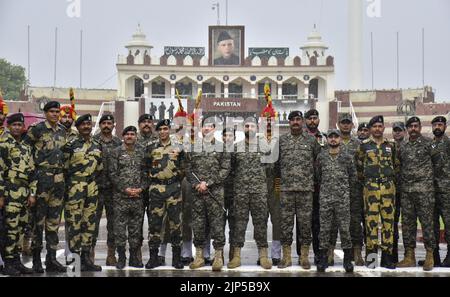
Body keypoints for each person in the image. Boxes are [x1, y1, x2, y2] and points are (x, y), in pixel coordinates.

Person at [24, 101, 67, 273]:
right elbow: (26, 152)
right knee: (38, 223)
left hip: (58, 182)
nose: (55, 114)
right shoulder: (37, 129)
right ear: (46, 113)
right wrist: (32, 187)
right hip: (41, 180)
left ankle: (51, 259)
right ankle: (35, 260)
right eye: (52, 111)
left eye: (57, 112)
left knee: (53, 223)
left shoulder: (63, 131)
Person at [275, 111, 320, 269]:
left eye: (298, 119)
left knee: (305, 226)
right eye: (292, 120)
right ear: (289, 122)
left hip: (306, 191)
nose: (295, 122)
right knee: (286, 226)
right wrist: (278, 189)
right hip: (286, 191)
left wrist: (314, 184)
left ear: (302, 122)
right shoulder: (281, 141)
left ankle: (304, 258)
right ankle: (286, 258)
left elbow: (318, 163)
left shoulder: (311, 141)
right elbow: (276, 166)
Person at [186, 117, 231, 271]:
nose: (207, 129)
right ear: (201, 129)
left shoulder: (222, 147)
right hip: (197, 193)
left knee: (217, 225)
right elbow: (188, 169)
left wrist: (208, 182)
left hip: (215, 193)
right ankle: (199, 257)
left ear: (214, 129)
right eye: (204, 126)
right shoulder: (193, 147)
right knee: (198, 225)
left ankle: (218, 257)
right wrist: (196, 184)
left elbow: (225, 169)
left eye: (210, 126)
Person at [227, 119, 272, 270]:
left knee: (261, 224)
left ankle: (263, 255)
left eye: (252, 126)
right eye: (247, 126)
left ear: (257, 128)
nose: (249, 128)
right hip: (241, 193)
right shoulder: (235, 148)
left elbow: (270, 169)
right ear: (243, 128)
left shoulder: (264, 147)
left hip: (259, 192)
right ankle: (236, 256)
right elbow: (231, 170)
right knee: (239, 224)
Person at [62, 114, 103, 272]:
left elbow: (99, 168)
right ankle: (74, 261)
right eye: (83, 124)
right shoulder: (70, 145)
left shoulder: (97, 145)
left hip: (91, 188)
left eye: (88, 124)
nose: (86, 126)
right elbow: (64, 168)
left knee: (89, 224)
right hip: (74, 188)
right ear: (78, 127)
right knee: (74, 224)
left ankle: (86, 259)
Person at [356, 116, 398, 269]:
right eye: (375, 126)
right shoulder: (364, 146)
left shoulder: (391, 146)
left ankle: (387, 259)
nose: (378, 129)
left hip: (388, 188)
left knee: (388, 224)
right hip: (371, 189)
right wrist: (369, 182)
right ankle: (372, 259)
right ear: (371, 129)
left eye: (380, 126)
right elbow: (359, 168)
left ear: (383, 128)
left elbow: (396, 166)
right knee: (371, 224)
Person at [144, 120, 185, 269]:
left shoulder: (178, 147)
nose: (162, 131)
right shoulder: (151, 147)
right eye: (160, 129)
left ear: (169, 130)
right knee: (154, 225)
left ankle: (176, 258)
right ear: (157, 131)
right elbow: (145, 167)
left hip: (173, 189)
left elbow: (184, 166)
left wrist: (174, 178)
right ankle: (153, 258)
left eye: (165, 129)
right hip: (156, 189)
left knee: (176, 224)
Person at [397, 116, 436, 271]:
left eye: (416, 126)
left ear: (420, 127)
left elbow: (438, 164)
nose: (413, 129)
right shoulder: (403, 145)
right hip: (407, 192)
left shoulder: (428, 144)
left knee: (427, 224)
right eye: (411, 126)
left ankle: (430, 255)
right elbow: (399, 165)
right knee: (407, 225)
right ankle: (409, 256)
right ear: (407, 129)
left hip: (424, 191)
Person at [0, 113, 36, 275]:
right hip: (9, 192)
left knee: (21, 228)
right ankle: (8, 262)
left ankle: (17, 261)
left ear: (23, 128)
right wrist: (1, 195)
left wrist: (32, 194)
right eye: (13, 125)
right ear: (8, 126)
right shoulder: (3, 145)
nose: (16, 128)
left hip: (24, 193)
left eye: (19, 125)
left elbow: (32, 172)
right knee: (10, 228)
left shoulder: (26, 147)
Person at [316, 129, 355, 273]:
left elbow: (352, 177)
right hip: (326, 199)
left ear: (339, 139)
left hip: (342, 199)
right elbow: (318, 177)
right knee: (324, 230)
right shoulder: (321, 157)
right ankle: (323, 259)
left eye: (336, 137)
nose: (333, 139)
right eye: (330, 137)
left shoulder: (347, 157)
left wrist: (344, 192)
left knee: (345, 229)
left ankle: (347, 261)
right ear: (327, 139)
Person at [109, 126, 147, 269]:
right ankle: (121, 258)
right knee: (119, 229)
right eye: (127, 134)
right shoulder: (116, 152)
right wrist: (125, 189)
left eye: (132, 134)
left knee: (135, 229)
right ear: (123, 136)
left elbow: (147, 173)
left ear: (136, 136)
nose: (130, 136)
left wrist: (141, 188)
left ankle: (133, 258)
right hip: (121, 198)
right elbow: (112, 174)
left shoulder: (142, 152)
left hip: (137, 197)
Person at [331, 113, 365, 266]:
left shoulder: (359, 144)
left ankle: (357, 253)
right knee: (332, 222)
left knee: (355, 222)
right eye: (343, 122)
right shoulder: (331, 143)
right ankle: (329, 253)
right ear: (339, 124)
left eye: (348, 123)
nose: (345, 125)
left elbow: (364, 166)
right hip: (335, 190)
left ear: (352, 125)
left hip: (354, 190)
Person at [92, 114, 122, 266]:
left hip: (113, 190)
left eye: (109, 123)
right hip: (96, 189)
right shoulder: (93, 141)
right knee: (93, 224)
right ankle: (91, 254)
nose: (106, 126)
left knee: (113, 224)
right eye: (104, 123)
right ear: (100, 124)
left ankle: (111, 255)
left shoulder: (118, 143)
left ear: (113, 125)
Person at [303, 109, 325, 265]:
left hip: (319, 188)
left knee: (318, 222)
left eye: (314, 118)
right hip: (303, 186)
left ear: (318, 120)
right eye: (309, 118)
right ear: (305, 120)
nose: (312, 121)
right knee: (303, 222)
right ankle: (301, 255)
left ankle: (318, 254)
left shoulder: (324, 138)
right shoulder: (300, 137)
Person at [430, 116, 450, 267]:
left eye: (440, 124)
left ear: (445, 126)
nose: (438, 127)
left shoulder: (448, 144)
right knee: (432, 225)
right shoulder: (429, 145)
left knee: (448, 224)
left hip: (447, 191)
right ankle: (434, 256)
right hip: (431, 191)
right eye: (435, 124)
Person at [391, 121, 406, 263]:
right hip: (393, 192)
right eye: (395, 130)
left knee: (408, 225)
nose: (397, 132)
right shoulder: (389, 147)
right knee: (392, 224)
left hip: (408, 191)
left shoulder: (409, 146)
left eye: (399, 130)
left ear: (404, 131)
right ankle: (393, 256)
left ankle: (409, 256)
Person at [222, 128, 236, 263]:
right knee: (218, 225)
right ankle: (218, 254)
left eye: (231, 135)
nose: (228, 138)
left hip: (235, 193)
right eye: (225, 135)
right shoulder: (219, 151)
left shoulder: (238, 151)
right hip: (219, 193)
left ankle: (233, 254)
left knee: (234, 224)